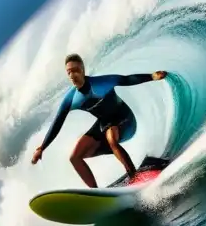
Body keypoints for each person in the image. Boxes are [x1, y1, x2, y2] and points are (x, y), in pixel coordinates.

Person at [31, 53, 168, 188]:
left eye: (76, 70)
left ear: (83, 70)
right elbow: (57, 123)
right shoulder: (71, 99)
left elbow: (126, 79)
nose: (73, 75)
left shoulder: (101, 83)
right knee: (75, 157)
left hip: (124, 118)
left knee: (111, 137)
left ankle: (134, 176)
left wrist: (152, 76)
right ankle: (96, 193)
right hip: (104, 123)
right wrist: (42, 148)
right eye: (69, 72)